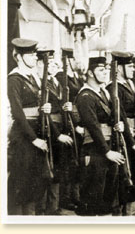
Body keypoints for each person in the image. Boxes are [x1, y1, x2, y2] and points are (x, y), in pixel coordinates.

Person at [75, 56, 130, 216]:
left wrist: (117, 125)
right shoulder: (85, 96)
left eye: (106, 70)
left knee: (107, 199)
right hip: (95, 150)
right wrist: (107, 151)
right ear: (90, 73)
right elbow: (93, 127)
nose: (105, 73)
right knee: (93, 200)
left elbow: (111, 117)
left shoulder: (102, 93)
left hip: (107, 148)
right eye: (101, 70)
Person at [7, 38, 51, 215]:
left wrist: (45, 108)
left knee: (33, 184)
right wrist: (34, 139)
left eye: (34, 54)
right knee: (20, 183)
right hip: (24, 137)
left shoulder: (32, 78)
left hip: (35, 136)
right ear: (18, 56)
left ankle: (30, 218)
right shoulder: (14, 79)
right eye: (30, 55)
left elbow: (36, 105)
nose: (34, 58)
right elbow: (18, 113)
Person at [106, 51, 135, 216]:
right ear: (120, 68)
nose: (132, 70)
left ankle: (134, 209)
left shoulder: (130, 85)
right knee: (125, 174)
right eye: (129, 66)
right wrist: (131, 142)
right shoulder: (114, 87)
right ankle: (124, 213)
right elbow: (121, 114)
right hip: (124, 137)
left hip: (134, 133)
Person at [35, 49, 74, 215]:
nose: (53, 66)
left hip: (60, 126)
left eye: (53, 63)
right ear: (39, 64)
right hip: (48, 129)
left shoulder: (56, 82)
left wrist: (68, 107)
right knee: (46, 168)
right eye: (48, 63)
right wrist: (57, 134)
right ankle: (43, 207)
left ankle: (54, 206)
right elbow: (45, 114)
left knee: (58, 168)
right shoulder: (40, 83)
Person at [56, 48, 84, 211]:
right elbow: (66, 104)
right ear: (68, 61)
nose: (78, 62)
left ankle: (75, 195)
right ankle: (65, 198)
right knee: (67, 163)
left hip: (77, 122)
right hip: (69, 123)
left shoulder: (77, 77)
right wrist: (76, 122)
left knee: (76, 162)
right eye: (75, 59)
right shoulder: (62, 77)